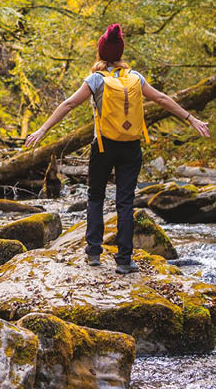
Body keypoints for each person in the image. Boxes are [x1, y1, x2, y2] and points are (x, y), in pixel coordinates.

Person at [25, 23, 210, 274]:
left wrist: (42, 130)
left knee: (95, 197)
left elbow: (69, 104)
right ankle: (124, 260)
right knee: (125, 202)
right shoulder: (135, 78)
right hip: (131, 147)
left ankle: (93, 253)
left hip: (103, 145)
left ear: (101, 53)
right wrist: (191, 118)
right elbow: (162, 99)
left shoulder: (96, 79)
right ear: (121, 54)